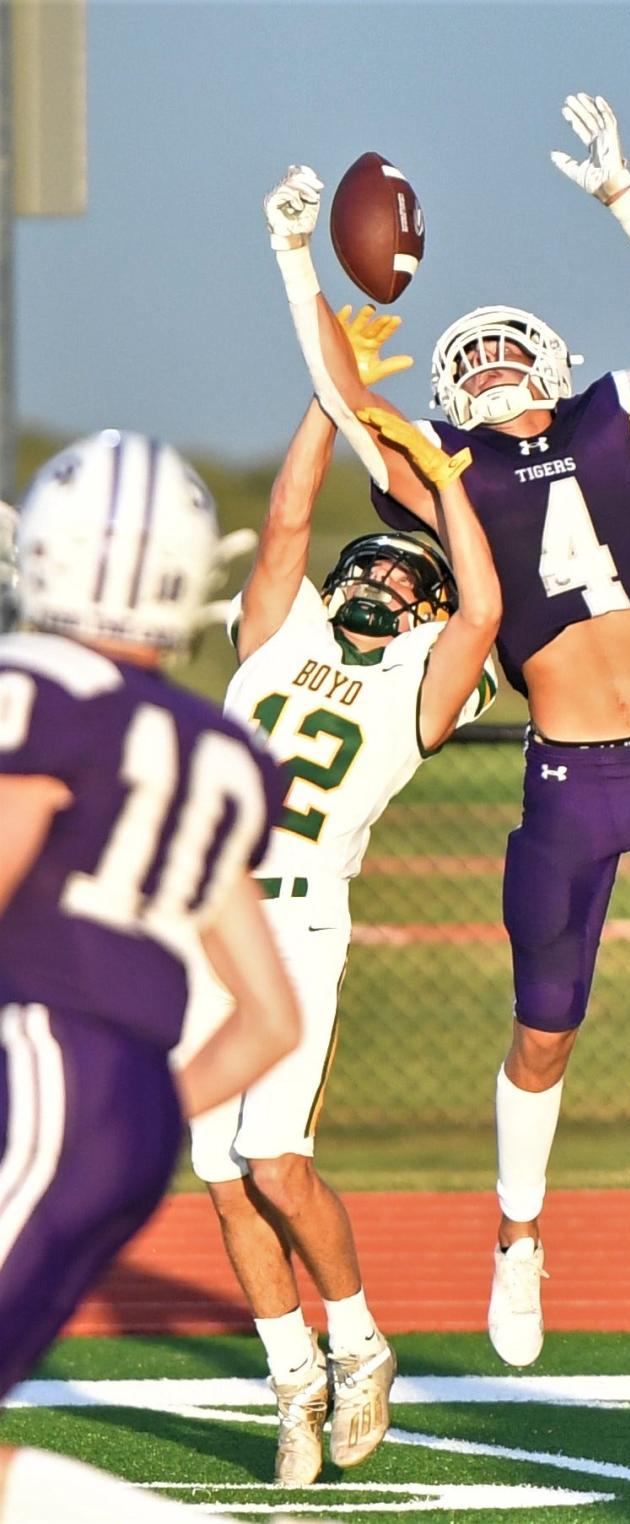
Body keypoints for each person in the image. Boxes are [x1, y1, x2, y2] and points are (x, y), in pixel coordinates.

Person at [270, 92, 630, 1368]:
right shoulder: (449, 478)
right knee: (544, 1022)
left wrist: (624, 200)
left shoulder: (622, 430)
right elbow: (336, 387)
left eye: (503, 351)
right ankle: (518, 1240)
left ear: (544, 361)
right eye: (465, 358)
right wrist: (294, 259)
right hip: (569, 779)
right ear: (452, 394)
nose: (485, 363)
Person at [185, 277, 501, 1479]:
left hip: (297, 920)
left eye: (395, 574)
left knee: (275, 1162)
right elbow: (283, 523)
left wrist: (449, 483)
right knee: (217, 1177)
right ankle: (290, 1379)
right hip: (198, 917)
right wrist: (334, 400)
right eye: (363, 565)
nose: (373, 577)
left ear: (418, 606)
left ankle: (361, 1345)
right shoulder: (286, 628)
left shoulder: (422, 678)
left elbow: (481, 607)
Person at [0, 430, 303, 1521]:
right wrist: (121, 1112)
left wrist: (63, 1096)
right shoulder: (208, 746)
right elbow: (268, 1018)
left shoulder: (35, 688)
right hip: (123, 1107)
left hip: (37, 1064)